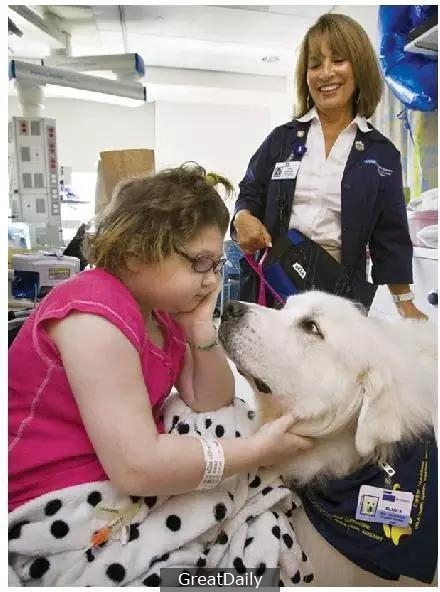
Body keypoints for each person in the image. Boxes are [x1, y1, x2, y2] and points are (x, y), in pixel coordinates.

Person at [8, 163, 312, 513]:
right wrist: (257, 451)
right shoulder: (94, 315)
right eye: (200, 263)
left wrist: (199, 326)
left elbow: (212, 400)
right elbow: (137, 468)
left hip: (110, 474)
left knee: (234, 428)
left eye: (216, 266)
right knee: (252, 545)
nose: (213, 280)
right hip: (54, 495)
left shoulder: (160, 313)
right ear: (139, 251)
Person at [232, 13, 427, 320]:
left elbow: (390, 236)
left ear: (359, 66)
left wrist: (404, 301)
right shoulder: (281, 140)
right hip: (277, 287)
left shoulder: (381, 153)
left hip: (339, 295)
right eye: (315, 64)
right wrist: (242, 217)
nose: (326, 73)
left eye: (338, 60)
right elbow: (250, 191)